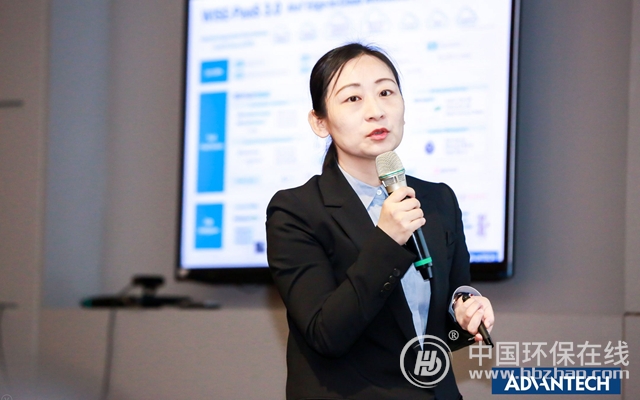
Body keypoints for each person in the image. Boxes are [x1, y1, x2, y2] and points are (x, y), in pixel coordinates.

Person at [266, 43, 494, 400]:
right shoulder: (296, 211)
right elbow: (326, 335)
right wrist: (387, 240)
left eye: (386, 92)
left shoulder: (438, 200)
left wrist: (465, 318)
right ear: (320, 122)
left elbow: (440, 333)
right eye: (353, 99)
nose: (376, 111)